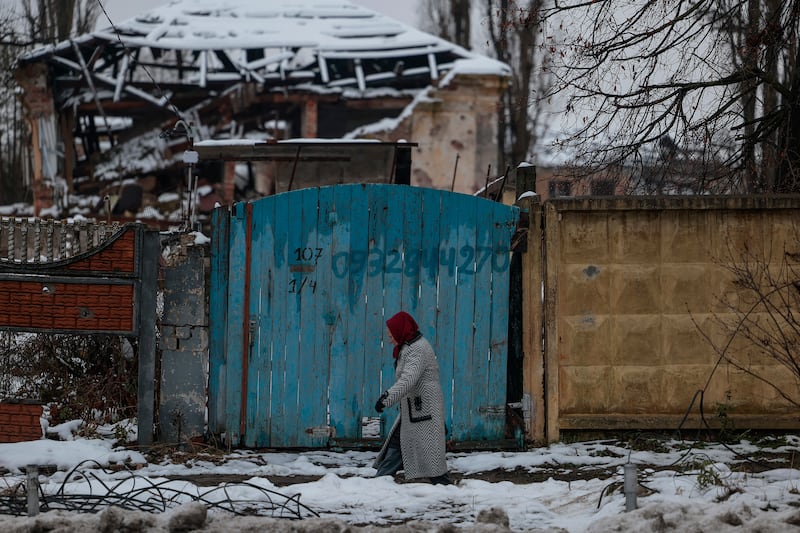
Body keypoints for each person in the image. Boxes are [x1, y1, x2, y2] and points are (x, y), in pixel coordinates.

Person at [372, 311, 452, 485]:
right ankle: (380, 481)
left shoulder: (417, 350)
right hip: (416, 410)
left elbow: (408, 380)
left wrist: (386, 398)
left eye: (391, 334)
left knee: (429, 456)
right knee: (401, 444)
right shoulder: (409, 346)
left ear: (400, 330)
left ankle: (380, 482)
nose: (389, 338)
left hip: (423, 409)